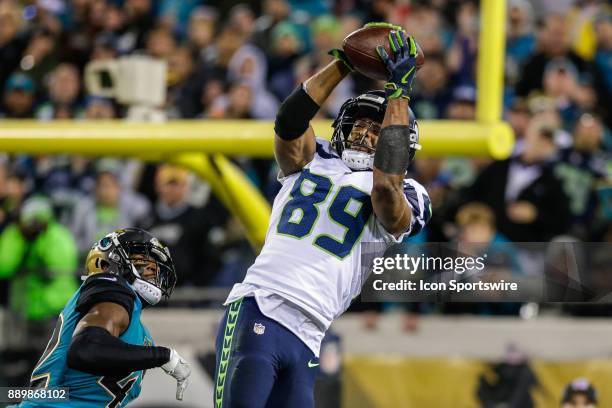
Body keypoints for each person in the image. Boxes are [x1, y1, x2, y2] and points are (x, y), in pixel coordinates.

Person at [213, 24, 431, 407]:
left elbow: (385, 189)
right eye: (360, 125)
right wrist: (343, 63)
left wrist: (400, 95)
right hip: (262, 302)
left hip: (312, 330)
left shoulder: (409, 193)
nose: (364, 135)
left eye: (376, 131)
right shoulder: (313, 159)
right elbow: (289, 123)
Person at [8, 228, 191, 407]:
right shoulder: (110, 287)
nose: (152, 270)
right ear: (107, 264)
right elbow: (86, 349)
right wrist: (163, 356)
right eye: (142, 262)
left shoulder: (140, 331)